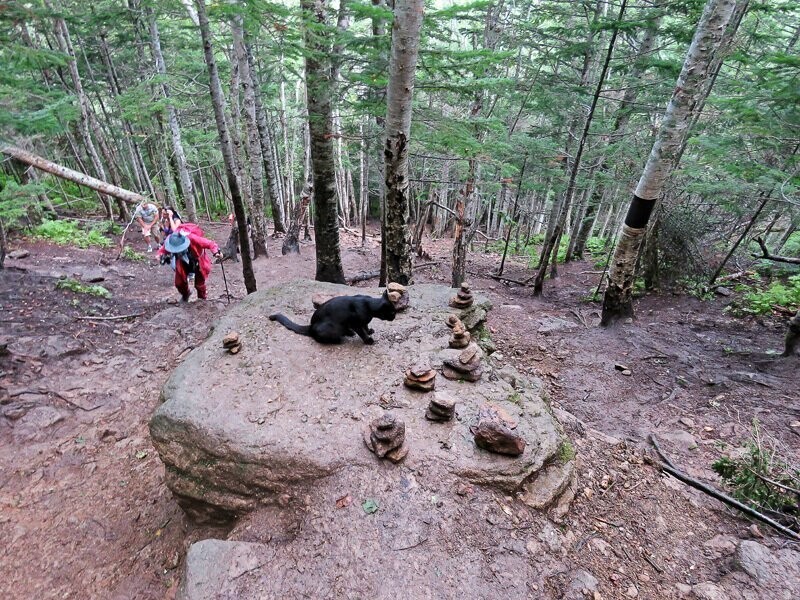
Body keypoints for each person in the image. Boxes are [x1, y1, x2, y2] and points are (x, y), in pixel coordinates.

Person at [158, 230, 221, 302]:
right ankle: (185, 295)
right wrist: (160, 255)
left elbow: (210, 243)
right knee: (179, 283)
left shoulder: (193, 238)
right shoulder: (170, 240)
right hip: (181, 261)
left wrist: (216, 252)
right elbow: (163, 249)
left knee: (199, 284)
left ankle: (202, 300)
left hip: (197, 261)